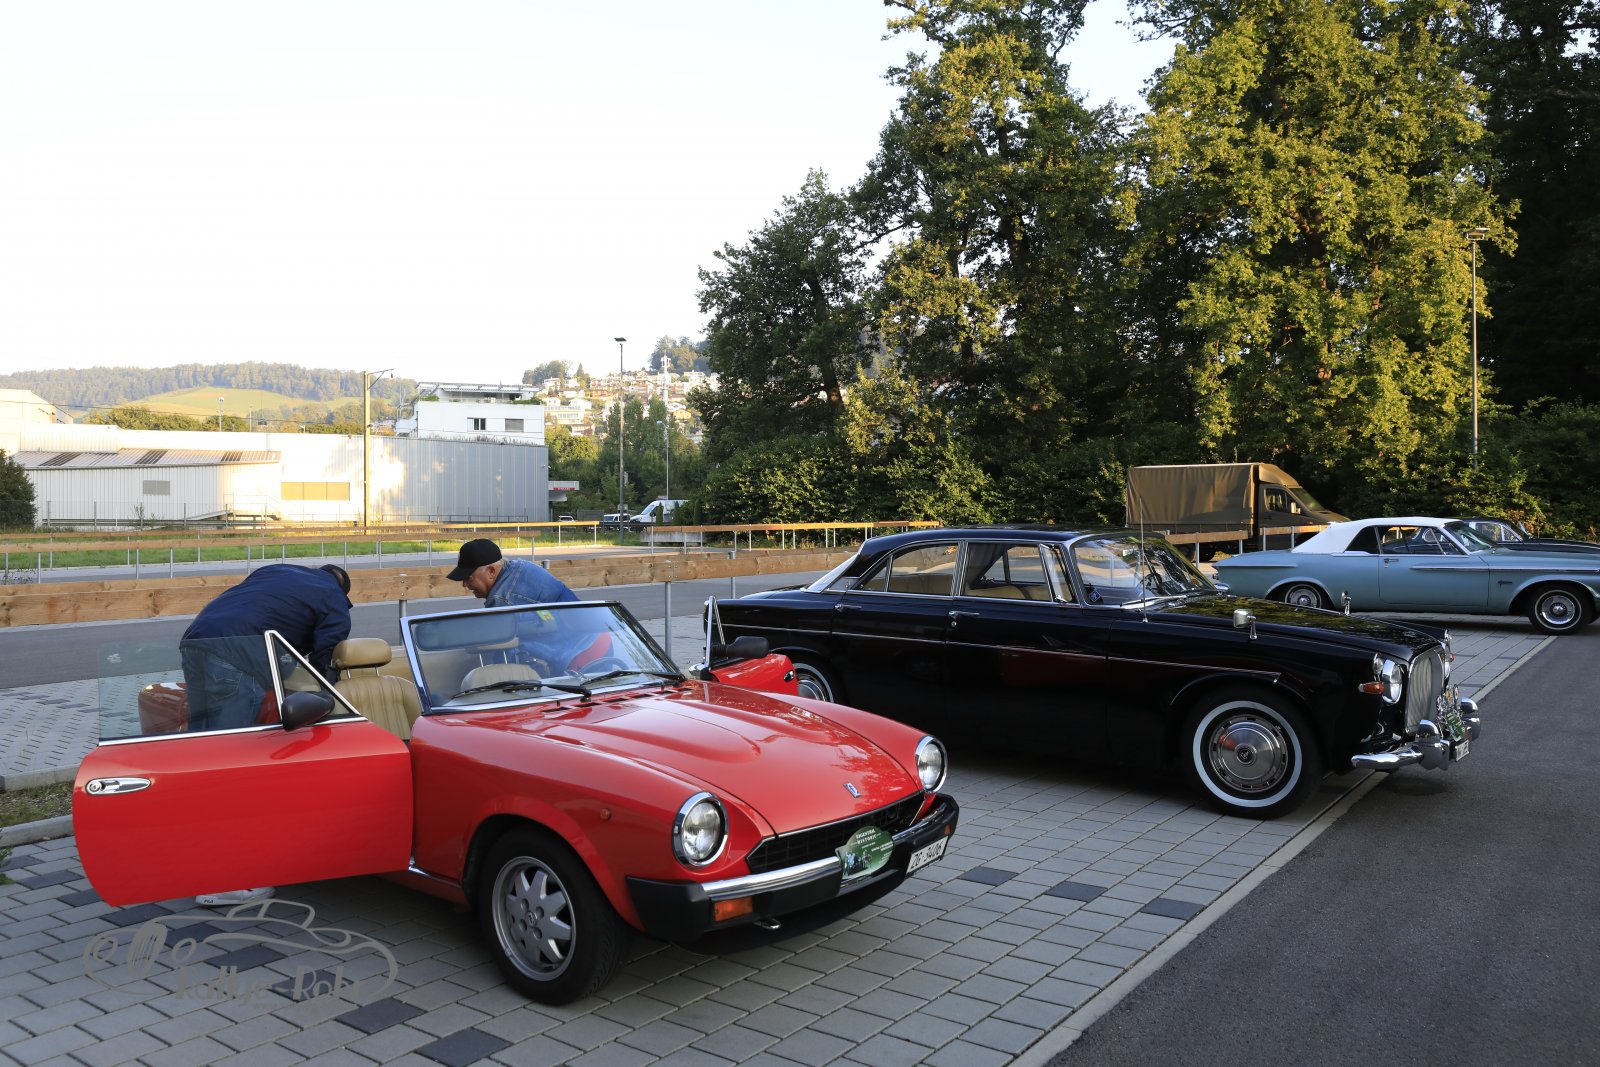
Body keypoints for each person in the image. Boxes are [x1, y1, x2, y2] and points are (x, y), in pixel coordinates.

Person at [177, 562, 352, 907]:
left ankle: (197, 858)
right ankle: (228, 880)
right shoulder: (333, 598)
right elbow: (327, 655)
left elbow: (254, 611)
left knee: (204, 758)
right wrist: (327, 693)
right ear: (342, 589)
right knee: (235, 763)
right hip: (237, 654)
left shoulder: (276, 571)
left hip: (195, 641)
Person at [449, 538, 578, 607]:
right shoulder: (517, 566)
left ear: (491, 571)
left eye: (469, 577)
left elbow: (502, 642)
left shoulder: (502, 600)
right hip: (583, 629)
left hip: (573, 643)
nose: (464, 584)